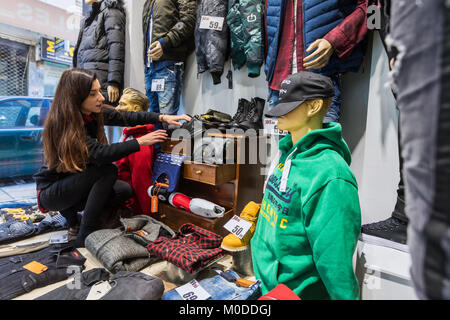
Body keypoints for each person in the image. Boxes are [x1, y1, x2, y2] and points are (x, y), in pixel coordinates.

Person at [33, 68, 191, 247]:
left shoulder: (91, 113)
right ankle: (85, 232)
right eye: (93, 94)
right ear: (76, 97)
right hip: (52, 192)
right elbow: (100, 154)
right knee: (107, 170)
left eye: (99, 91)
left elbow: (126, 116)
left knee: (122, 190)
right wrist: (140, 142)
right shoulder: (66, 124)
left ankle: (77, 221)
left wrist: (162, 117)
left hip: (72, 182)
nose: (101, 97)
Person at [251, 71, 362, 299]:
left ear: (313, 107)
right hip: (263, 286)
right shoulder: (287, 151)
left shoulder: (332, 176)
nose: (279, 113)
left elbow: (335, 262)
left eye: (289, 105)